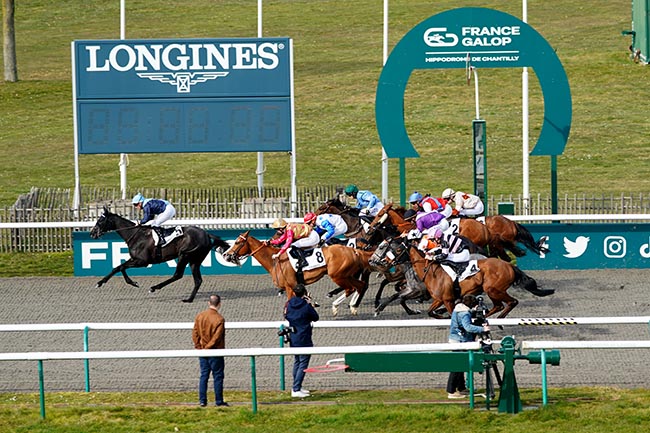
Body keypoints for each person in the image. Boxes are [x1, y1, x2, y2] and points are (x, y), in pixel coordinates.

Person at [447, 294, 490, 399]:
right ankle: (451, 391)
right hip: (460, 341)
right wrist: (482, 329)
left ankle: (461, 388)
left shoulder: (458, 309)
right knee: (457, 366)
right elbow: (468, 327)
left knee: (461, 365)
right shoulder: (465, 313)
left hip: (456, 340)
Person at [192, 294, 229, 407]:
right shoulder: (219, 319)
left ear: (209, 303)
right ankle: (219, 400)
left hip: (202, 351)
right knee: (218, 376)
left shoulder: (200, 316)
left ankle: (202, 400)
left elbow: (195, 333)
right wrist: (208, 348)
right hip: (215, 352)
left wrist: (199, 347)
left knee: (204, 375)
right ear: (219, 304)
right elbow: (216, 337)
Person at [284, 283, 320, 398]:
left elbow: (286, 315)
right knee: (303, 363)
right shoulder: (306, 305)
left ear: (294, 293)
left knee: (297, 361)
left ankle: (297, 386)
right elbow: (315, 317)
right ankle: (296, 389)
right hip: (304, 337)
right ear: (304, 293)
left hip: (293, 337)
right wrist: (309, 304)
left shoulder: (289, 304)